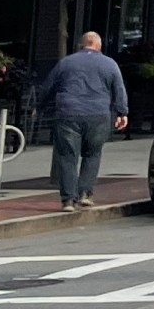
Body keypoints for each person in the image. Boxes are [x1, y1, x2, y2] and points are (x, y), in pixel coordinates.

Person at [39, 31, 129, 209]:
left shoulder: (66, 62)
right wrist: (122, 112)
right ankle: (85, 193)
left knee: (66, 156)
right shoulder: (110, 64)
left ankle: (68, 200)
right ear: (99, 45)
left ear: (81, 45)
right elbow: (119, 88)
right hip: (98, 114)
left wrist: (40, 107)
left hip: (68, 113)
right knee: (93, 154)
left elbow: (49, 85)